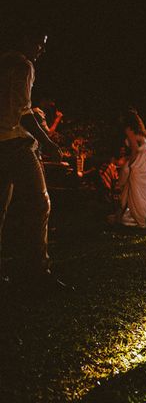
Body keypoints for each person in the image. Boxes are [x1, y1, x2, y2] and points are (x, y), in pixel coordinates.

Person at [0, 23, 66, 291]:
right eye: (39, 42)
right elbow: (24, 113)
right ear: (26, 39)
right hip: (15, 144)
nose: (41, 49)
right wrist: (48, 142)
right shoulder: (24, 66)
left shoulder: (2, 62)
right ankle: (37, 272)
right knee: (40, 204)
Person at [112, 109, 146, 228]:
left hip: (139, 160)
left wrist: (131, 163)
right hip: (145, 158)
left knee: (135, 189)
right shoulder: (139, 131)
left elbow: (135, 149)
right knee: (132, 189)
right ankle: (122, 216)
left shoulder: (129, 130)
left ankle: (137, 218)